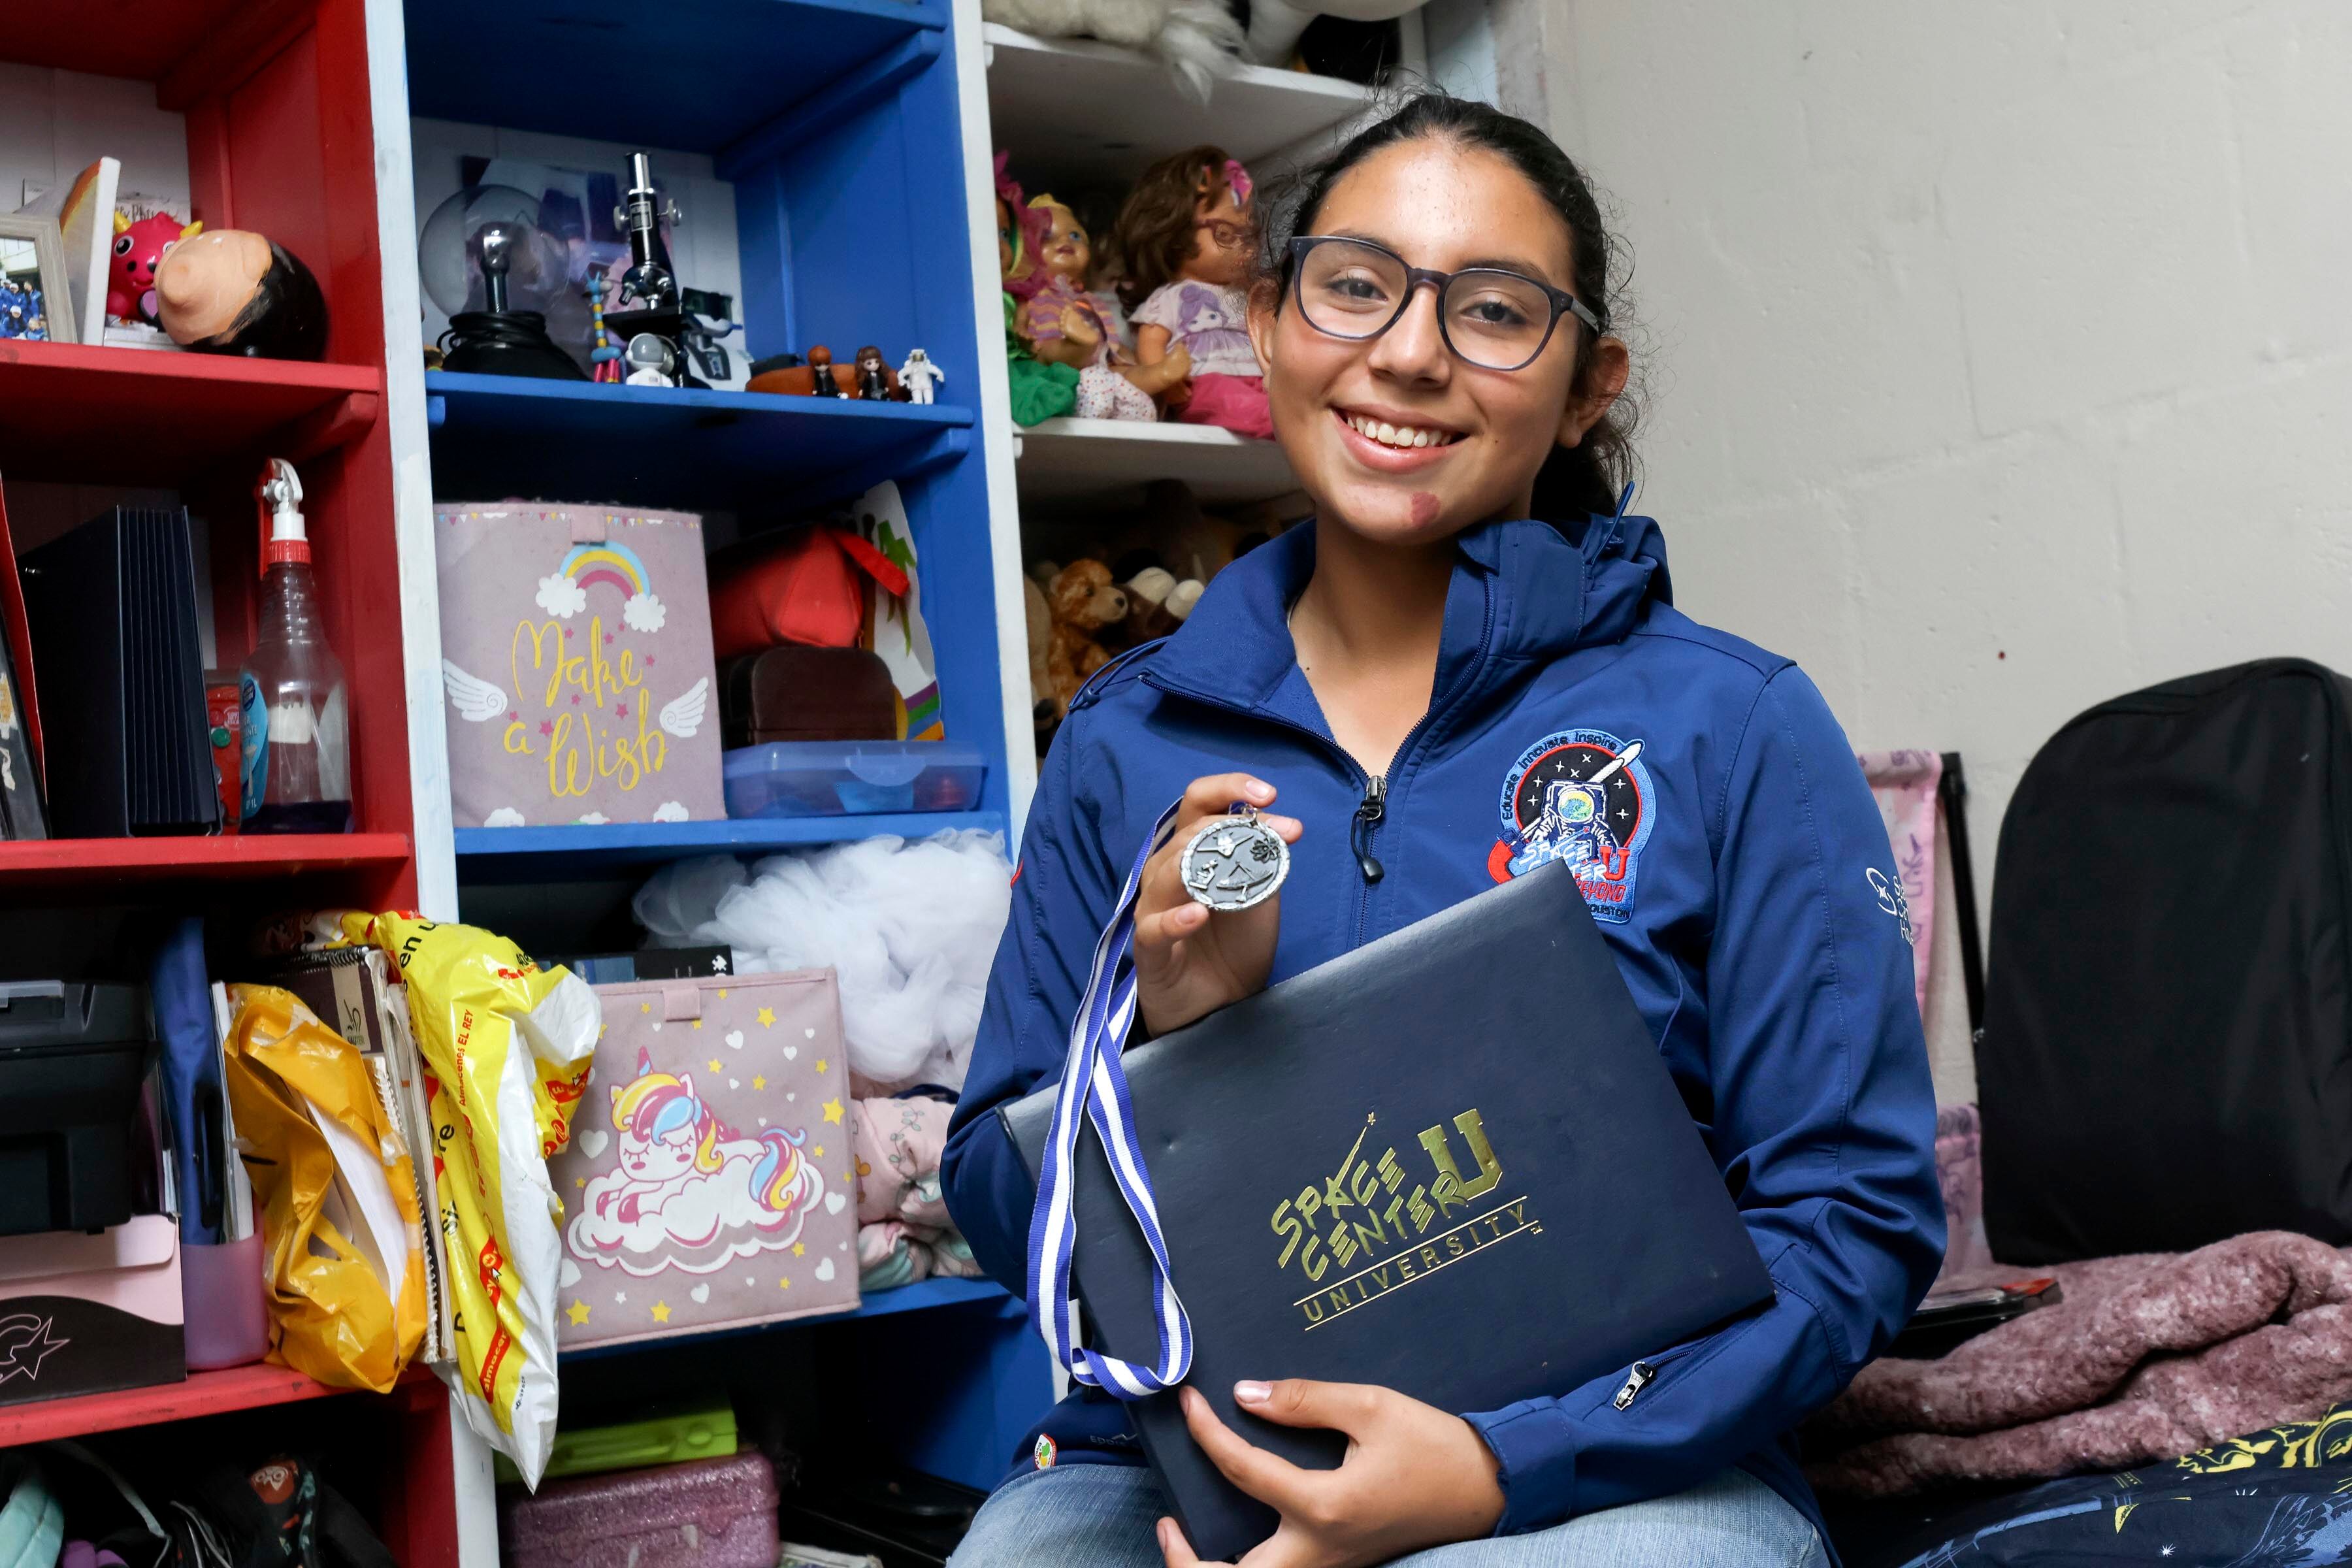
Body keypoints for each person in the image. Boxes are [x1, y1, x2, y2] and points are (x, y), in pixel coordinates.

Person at [943, 92, 1943, 1568]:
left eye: (1491, 311)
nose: (1407, 352)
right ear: (1275, 322)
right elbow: (993, 1193)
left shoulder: (1733, 723)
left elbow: (1853, 1214)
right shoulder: (1122, 740)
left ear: (1589, 385)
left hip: (1623, 1464)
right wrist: (1159, 1034)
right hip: (1194, 1472)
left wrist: (1501, 1467)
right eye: (1356, 286)